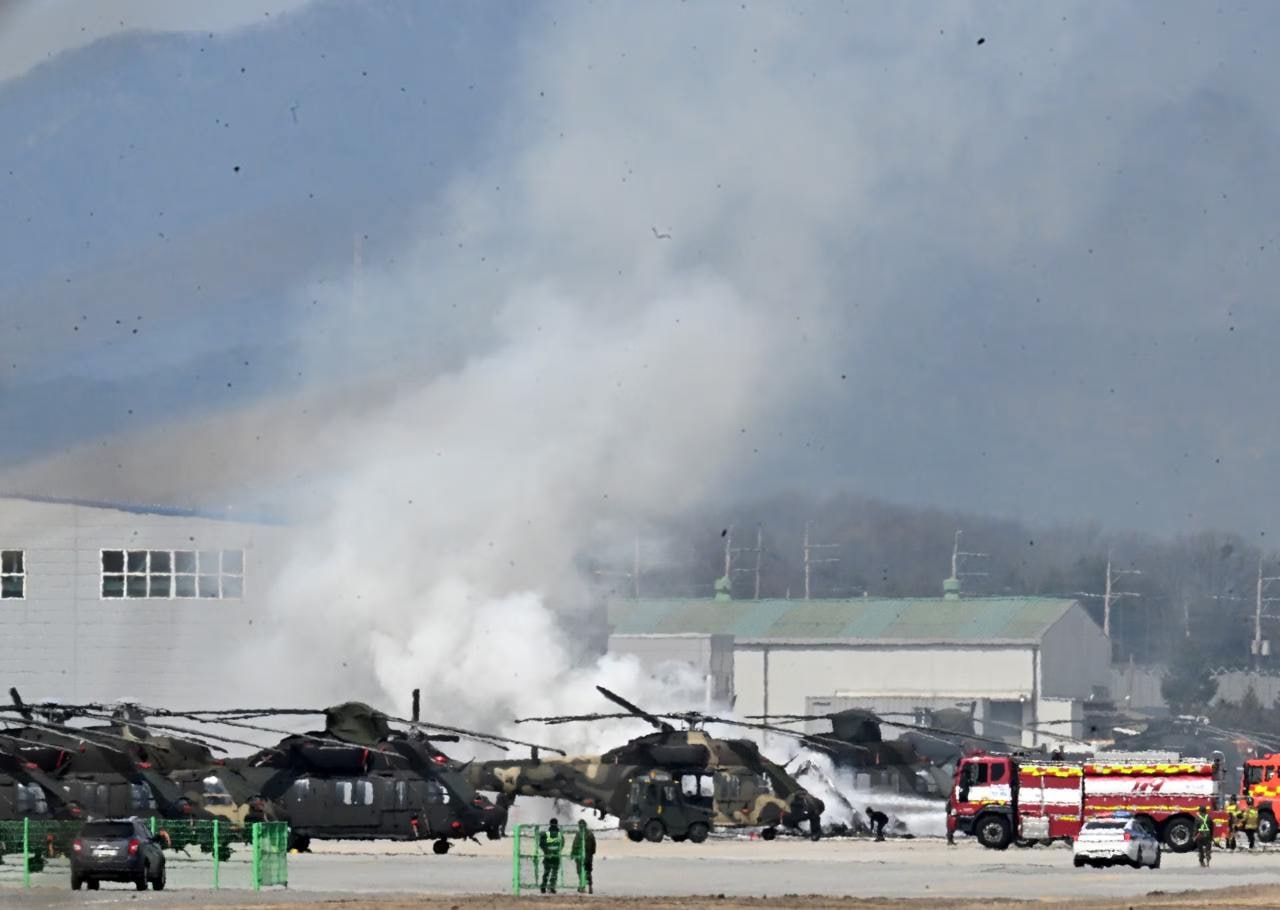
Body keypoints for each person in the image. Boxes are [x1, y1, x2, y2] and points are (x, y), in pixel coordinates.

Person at [571, 819, 597, 894]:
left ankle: (582, 886)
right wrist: (591, 854)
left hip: (580, 856)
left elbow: (574, 845)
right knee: (587, 871)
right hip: (588, 856)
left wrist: (573, 854)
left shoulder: (578, 834)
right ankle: (589, 886)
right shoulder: (590, 834)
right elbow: (594, 846)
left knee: (580, 872)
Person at [539, 818, 564, 894]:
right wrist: (556, 851)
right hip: (556, 856)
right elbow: (562, 844)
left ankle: (543, 886)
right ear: (557, 824)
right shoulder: (559, 834)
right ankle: (552, 887)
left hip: (547, 857)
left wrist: (547, 852)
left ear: (550, 824)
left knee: (546, 872)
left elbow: (541, 844)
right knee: (554, 873)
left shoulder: (546, 834)